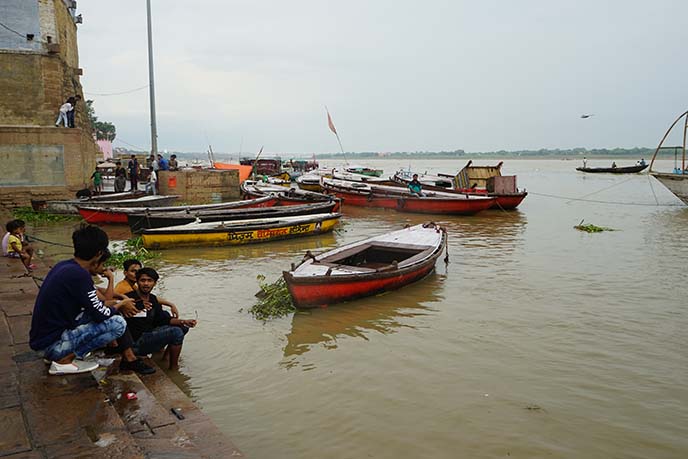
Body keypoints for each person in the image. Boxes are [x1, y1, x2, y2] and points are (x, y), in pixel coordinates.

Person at [29, 224, 155, 375]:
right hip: (50, 345)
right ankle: (64, 361)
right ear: (98, 254)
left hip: (43, 341)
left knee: (111, 310)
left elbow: (97, 304)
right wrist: (121, 304)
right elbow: (101, 314)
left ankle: (61, 356)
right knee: (118, 323)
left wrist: (117, 303)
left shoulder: (65, 266)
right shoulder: (79, 275)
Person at [124, 267, 196, 369]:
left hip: (148, 335)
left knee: (183, 327)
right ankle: (174, 368)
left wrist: (185, 321)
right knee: (176, 332)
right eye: (143, 280)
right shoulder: (128, 299)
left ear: (155, 283)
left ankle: (165, 358)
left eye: (150, 281)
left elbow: (163, 320)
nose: (146, 284)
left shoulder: (152, 299)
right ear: (137, 281)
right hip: (135, 343)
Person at [114, 259, 179, 317]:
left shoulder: (133, 285)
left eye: (138, 271)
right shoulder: (125, 288)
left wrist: (170, 304)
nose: (136, 274)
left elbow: (149, 297)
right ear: (125, 273)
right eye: (133, 271)